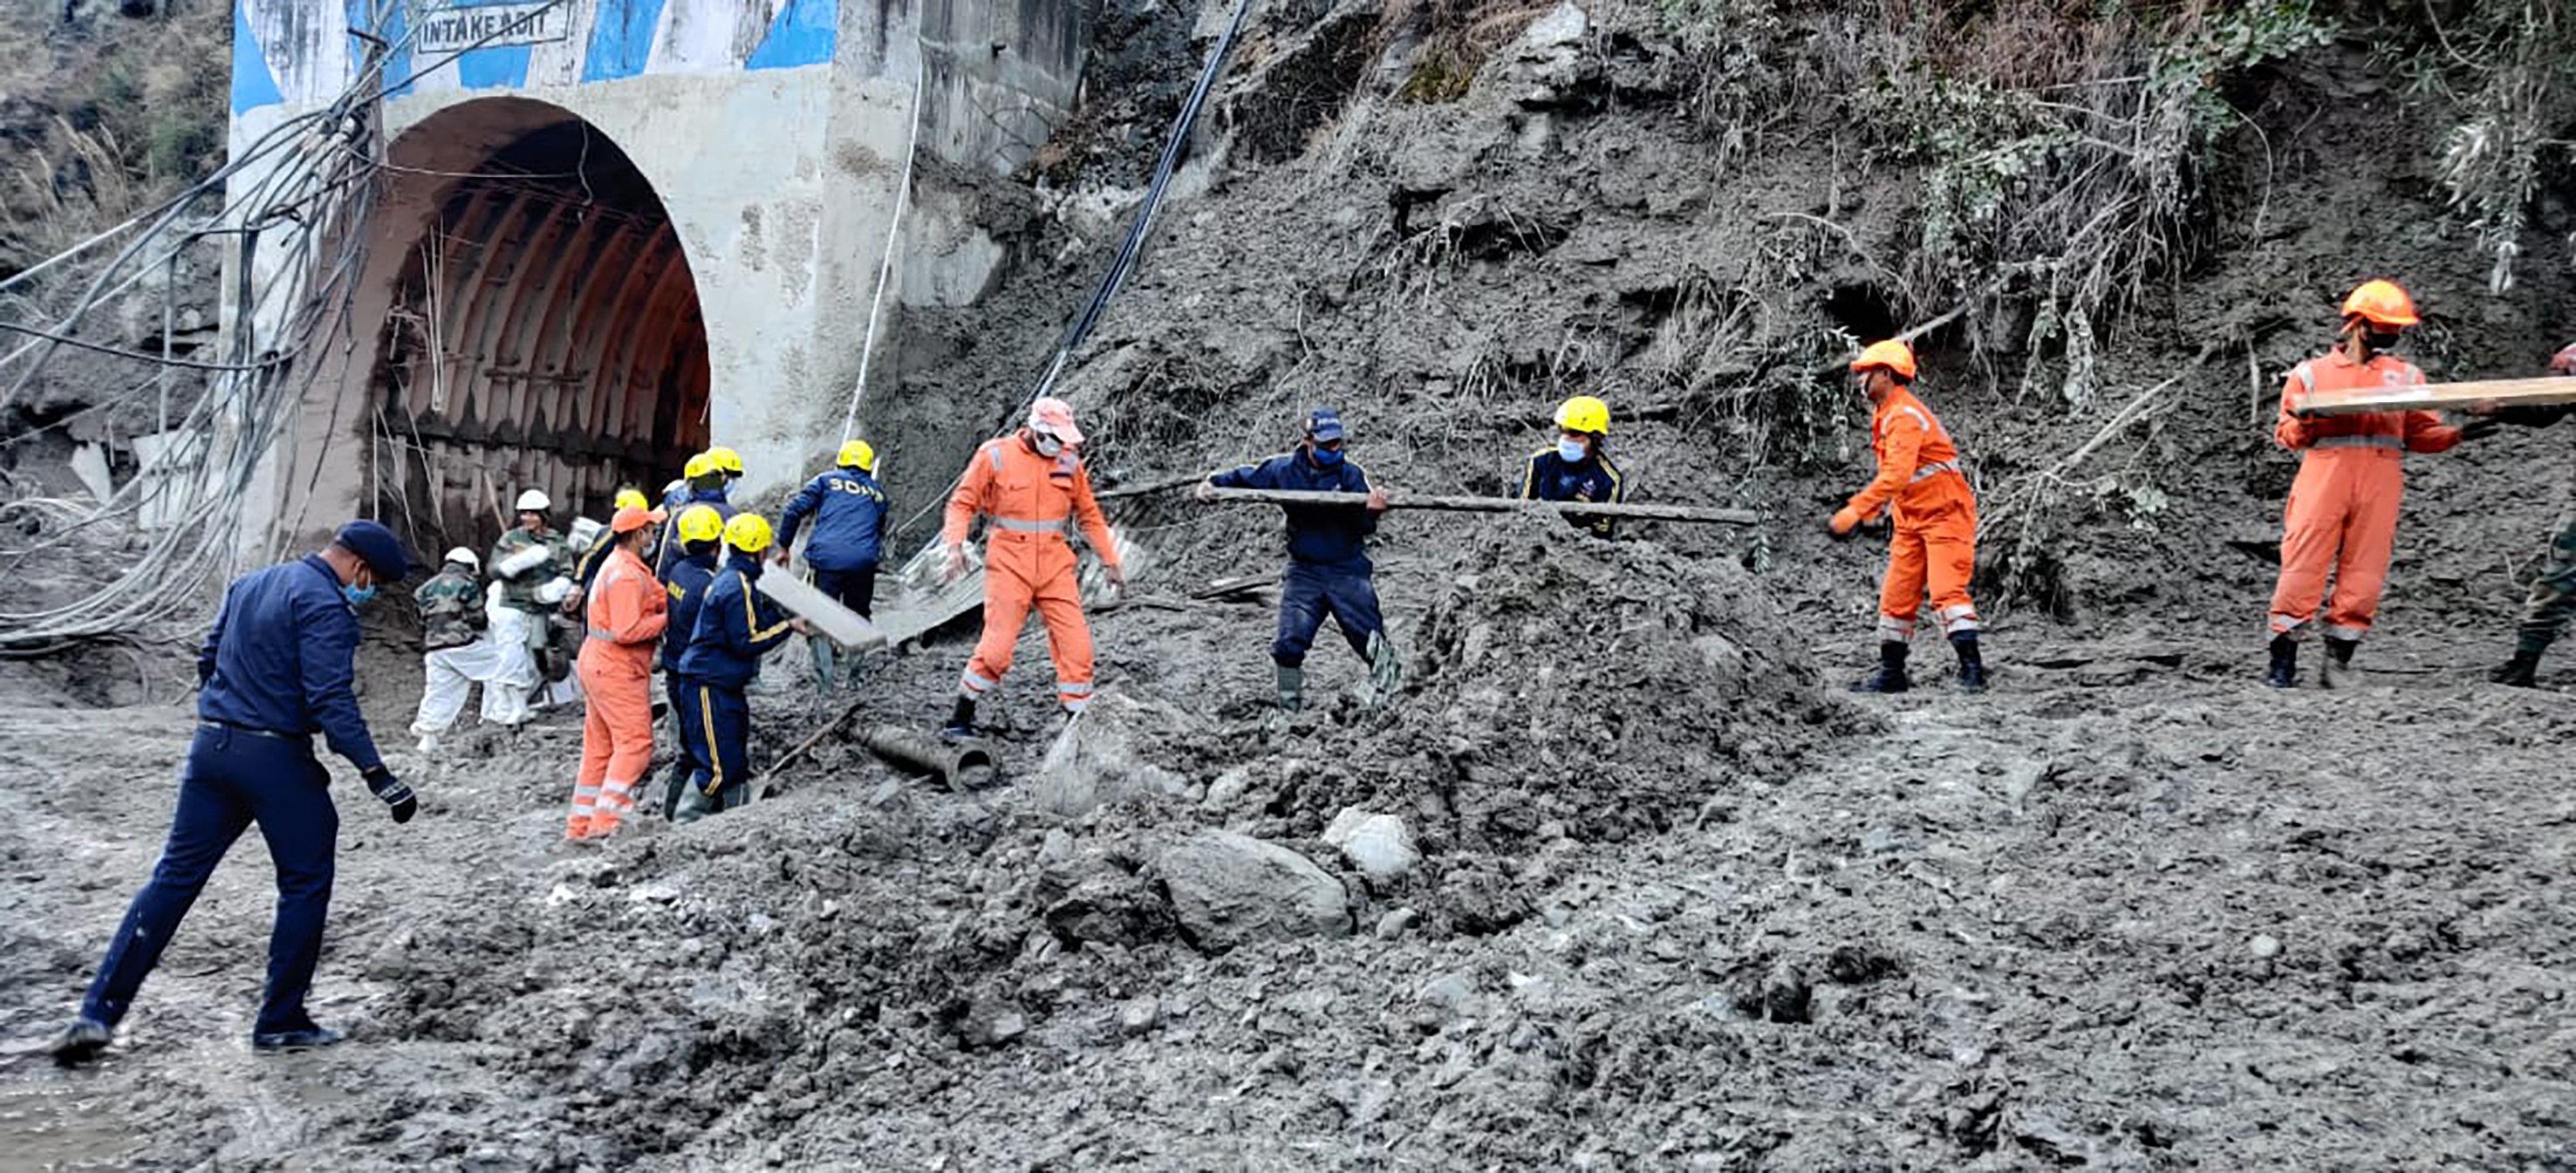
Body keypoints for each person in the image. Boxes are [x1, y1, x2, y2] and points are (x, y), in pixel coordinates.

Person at [47, 522, 419, 1062]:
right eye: (373, 583)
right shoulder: (325, 607)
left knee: (173, 879)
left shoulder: (251, 584)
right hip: (275, 758)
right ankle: (280, 1019)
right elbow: (329, 698)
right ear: (361, 569)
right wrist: (376, 774)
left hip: (211, 750)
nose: (367, 593)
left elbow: (207, 658)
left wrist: (230, 712)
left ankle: (97, 1013)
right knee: (305, 880)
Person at [2265, 280, 2491, 688]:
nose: (2391, 336)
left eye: (2396, 329)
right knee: (2302, 569)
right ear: (2356, 323)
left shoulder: (2406, 376)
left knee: (2364, 577)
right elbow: (2287, 435)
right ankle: (2282, 664)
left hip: (2380, 481)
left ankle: (2337, 665)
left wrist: (2462, 432)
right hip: (2325, 476)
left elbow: (2422, 435)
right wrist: (2306, 421)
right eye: (2383, 327)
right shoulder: (2311, 375)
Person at [939, 398, 1126, 738]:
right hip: (1009, 562)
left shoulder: (1069, 461)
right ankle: (960, 717)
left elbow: (1089, 515)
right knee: (996, 651)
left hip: (1055, 565)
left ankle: (1076, 728)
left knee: (1078, 647)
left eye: (1064, 439)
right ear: (1037, 430)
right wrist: (954, 546)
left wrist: (1111, 560)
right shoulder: (995, 455)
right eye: (1055, 438)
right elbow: (961, 503)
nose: (1061, 445)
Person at [1196, 407, 1401, 713]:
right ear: (1308, 441)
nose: (1335, 450)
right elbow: (1244, 478)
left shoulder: (1351, 475)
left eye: (1338, 444)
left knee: (1371, 641)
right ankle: (1289, 710)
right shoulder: (1284, 470)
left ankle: (1390, 692)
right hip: (1304, 571)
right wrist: (1211, 484)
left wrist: (1372, 511)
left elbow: (1363, 528)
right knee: (1289, 644)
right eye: (1327, 445)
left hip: (1346, 569)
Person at [1828, 339, 1986, 694]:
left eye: (1865, 373)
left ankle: (1973, 672)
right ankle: (1892, 674)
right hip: (1911, 519)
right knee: (1896, 597)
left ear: (1885, 374)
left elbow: (1897, 475)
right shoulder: (1887, 414)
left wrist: (1855, 510)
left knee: (1948, 593)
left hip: (1945, 514)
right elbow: (1902, 479)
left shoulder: (1903, 416)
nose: (1859, 380)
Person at [673, 515, 808, 822]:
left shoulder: (735, 579)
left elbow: (752, 620)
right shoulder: (737, 587)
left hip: (721, 681)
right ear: (757, 551)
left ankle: (738, 819)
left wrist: (777, 608)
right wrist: (790, 625)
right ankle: (684, 825)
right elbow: (747, 641)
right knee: (717, 768)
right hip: (707, 683)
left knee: (733, 758)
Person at [563, 505, 669, 840]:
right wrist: (669, 618)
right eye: (651, 531)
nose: (654, 536)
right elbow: (627, 630)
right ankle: (607, 823)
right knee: (636, 743)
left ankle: (581, 825)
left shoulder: (619, 565)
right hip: (616, 667)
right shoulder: (626, 574)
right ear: (638, 535)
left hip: (599, 663)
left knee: (600, 748)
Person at [2473, 341, 2576, 687]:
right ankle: (2524, 662)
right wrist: (2500, 409)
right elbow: (2547, 408)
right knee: (2558, 579)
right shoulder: (2573, 357)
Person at [776, 439, 892, 691]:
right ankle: (854, 679)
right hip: (863, 562)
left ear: (841, 462)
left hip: (827, 559)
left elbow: (793, 511)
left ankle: (826, 685)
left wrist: (784, 547)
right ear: (868, 467)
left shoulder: (826, 480)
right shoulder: (879, 494)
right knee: (859, 616)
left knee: (820, 617)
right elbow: (878, 533)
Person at [407, 548, 530, 751]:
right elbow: (478, 618)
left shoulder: (425, 588)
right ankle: (506, 715)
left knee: (440, 692)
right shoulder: (467, 585)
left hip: (435, 649)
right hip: (461, 645)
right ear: (469, 566)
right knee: (504, 663)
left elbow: (420, 617)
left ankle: (428, 738)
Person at [657, 504, 725, 817]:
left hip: (675, 671)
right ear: (716, 544)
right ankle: (691, 818)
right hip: (697, 679)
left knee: (687, 751)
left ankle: (672, 813)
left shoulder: (680, 571)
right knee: (706, 754)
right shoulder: (707, 586)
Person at [489, 488, 572, 705]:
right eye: (524, 513)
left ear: (544, 515)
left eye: (533, 513)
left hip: (540, 607)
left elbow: (567, 571)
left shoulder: (556, 541)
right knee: (510, 656)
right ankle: (506, 705)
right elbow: (493, 569)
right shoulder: (511, 538)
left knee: (539, 656)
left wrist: (559, 586)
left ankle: (532, 701)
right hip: (514, 605)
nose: (527, 518)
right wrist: (514, 564)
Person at [1520, 394, 1626, 538]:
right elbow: (1521, 512)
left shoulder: (1608, 480)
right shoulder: (1541, 462)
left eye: (1575, 433)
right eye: (1563, 431)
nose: (1565, 439)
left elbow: (1602, 534)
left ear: (1596, 438)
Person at [568, 487, 653, 611]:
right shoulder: (611, 533)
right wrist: (578, 584)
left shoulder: (641, 537)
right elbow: (591, 556)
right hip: (600, 587)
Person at [655, 454, 738, 578]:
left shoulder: (682, 514)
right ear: (721, 480)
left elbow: (666, 560)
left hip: (683, 584)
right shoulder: (734, 516)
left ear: (691, 484)